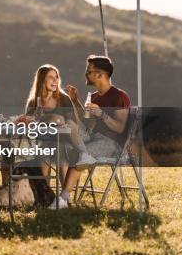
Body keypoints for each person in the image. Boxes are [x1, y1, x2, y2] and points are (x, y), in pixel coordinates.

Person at [48, 55, 131, 209]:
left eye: (88, 72)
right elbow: (85, 121)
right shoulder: (93, 97)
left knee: (79, 156)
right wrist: (75, 101)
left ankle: (63, 198)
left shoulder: (119, 96)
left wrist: (102, 114)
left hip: (111, 144)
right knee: (66, 134)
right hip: (91, 137)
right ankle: (64, 195)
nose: (85, 75)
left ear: (100, 74)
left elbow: (120, 128)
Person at [19, 64, 96, 187]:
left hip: (71, 140)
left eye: (57, 77)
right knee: (43, 152)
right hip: (47, 140)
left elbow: (72, 124)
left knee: (61, 149)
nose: (56, 80)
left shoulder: (64, 99)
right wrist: (46, 119)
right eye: (51, 77)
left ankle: (64, 197)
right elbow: (31, 126)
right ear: (42, 80)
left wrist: (54, 120)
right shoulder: (33, 102)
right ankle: (45, 194)